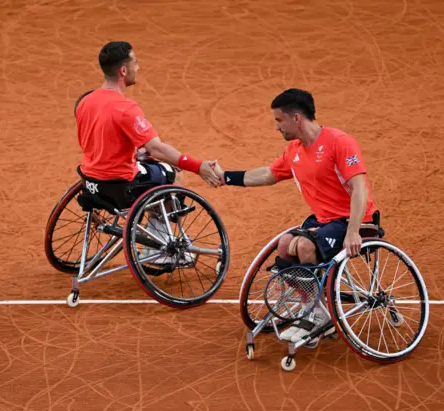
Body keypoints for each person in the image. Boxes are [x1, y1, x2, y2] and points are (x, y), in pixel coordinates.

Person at [211, 88, 380, 346]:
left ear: (297, 118)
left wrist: (354, 230)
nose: (277, 127)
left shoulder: (339, 142)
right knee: (284, 245)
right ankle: (313, 307)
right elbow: (268, 175)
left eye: (279, 120)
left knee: (303, 245)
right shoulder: (295, 150)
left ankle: (318, 315)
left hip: (355, 219)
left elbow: (360, 187)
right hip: (323, 221)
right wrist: (227, 177)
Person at [75, 41, 221, 264]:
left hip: (91, 184)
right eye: (135, 62)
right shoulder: (126, 108)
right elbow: (157, 148)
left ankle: (160, 232)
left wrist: (135, 154)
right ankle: (160, 242)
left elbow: (100, 140)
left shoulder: (85, 102)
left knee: (147, 161)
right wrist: (197, 166)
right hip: (121, 186)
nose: (138, 67)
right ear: (123, 70)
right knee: (171, 172)